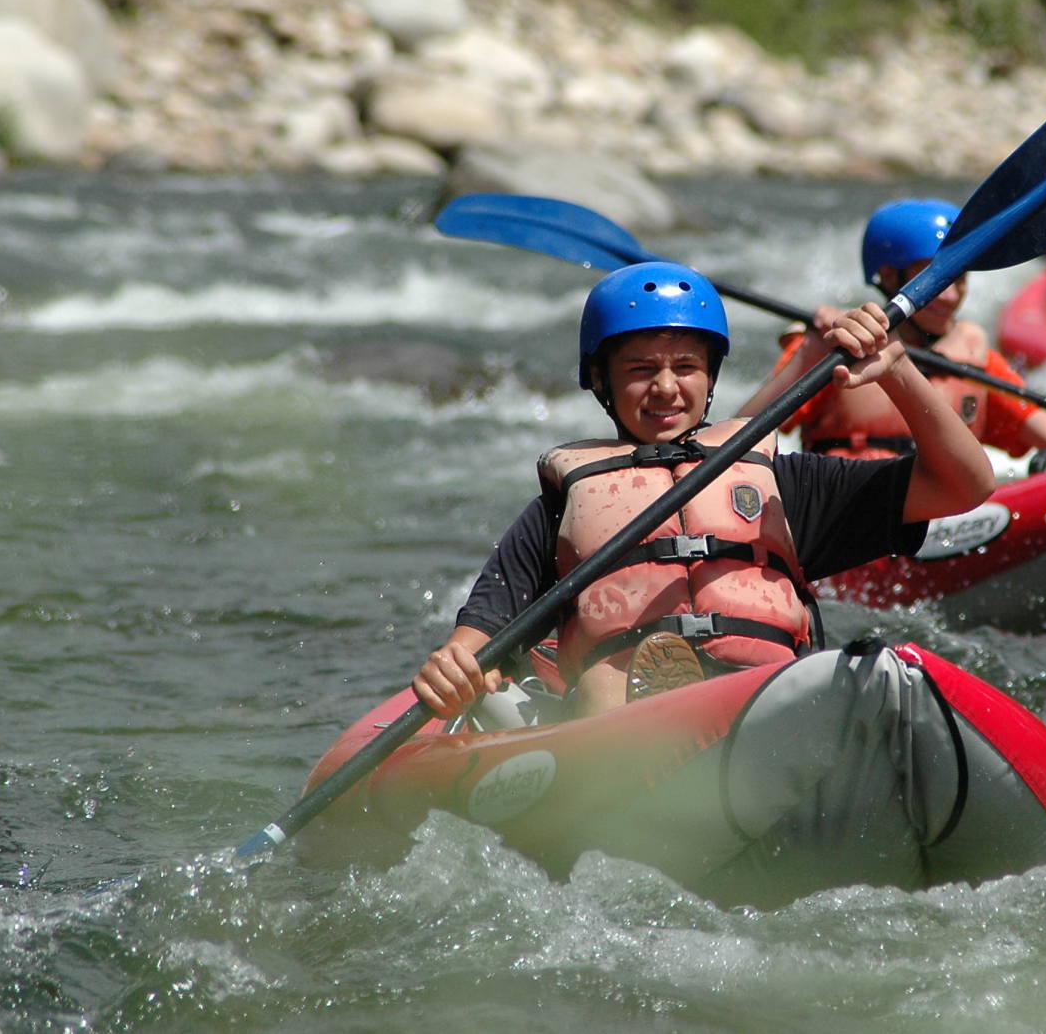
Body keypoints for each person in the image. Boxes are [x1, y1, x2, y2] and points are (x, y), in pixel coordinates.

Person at [412, 260, 996, 720]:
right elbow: (471, 645)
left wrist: (895, 368)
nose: (666, 388)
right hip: (620, 734)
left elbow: (964, 485)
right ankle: (650, 724)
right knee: (602, 685)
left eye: (685, 367)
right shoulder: (561, 508)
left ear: (711, 377)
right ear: (600, 379)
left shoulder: (777, 484)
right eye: (641, 369)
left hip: (765, 713)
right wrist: (456, 669)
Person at [738, 198, 1046, 472]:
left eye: (958, 278)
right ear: (887, 277)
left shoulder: (974, 357)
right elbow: (734, 438)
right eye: (931, 281)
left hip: (941, 517)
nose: (950, 296)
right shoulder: (837, 344)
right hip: (849, 517)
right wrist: (810, 352)